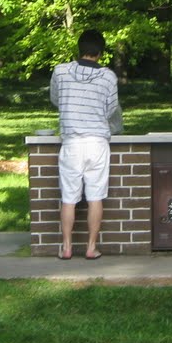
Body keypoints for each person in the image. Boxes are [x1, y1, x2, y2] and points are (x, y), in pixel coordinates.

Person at [49, 29, 123, 259]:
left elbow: (55, 99)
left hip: (71, 143)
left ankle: (67, 247)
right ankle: (91, 248)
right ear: (100, 53)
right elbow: (111, 109)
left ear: (79, 49)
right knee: (95, 197)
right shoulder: (108, 77)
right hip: (97, 143)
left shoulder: (60, 72)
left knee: (69, 199)